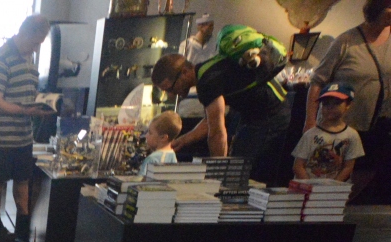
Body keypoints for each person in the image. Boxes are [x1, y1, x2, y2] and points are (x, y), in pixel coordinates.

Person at [152, 33, 290, 185]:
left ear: (184, 72)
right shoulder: (207, 71)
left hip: (269, 115)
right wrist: (184, 140)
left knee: (243, 175)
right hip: (261, 114)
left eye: (170, 88)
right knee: (239, 167)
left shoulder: (207, 82)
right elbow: (210, 120)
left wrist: (217, 178)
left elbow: (217, 132)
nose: (171, 95)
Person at [307, 0, 391, 200]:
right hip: (342, 125)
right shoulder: (346, 41)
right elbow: (317, 82)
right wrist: (309, 122)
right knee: (329, 172)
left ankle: (345, 205)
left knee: (366, 169)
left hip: (376, 125)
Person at [0, 14, 53, 242]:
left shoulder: (29, 59)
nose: (36, 48)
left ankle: (22, 228)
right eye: (35, 42)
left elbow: (27, 93)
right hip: (2, 135)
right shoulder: (1, 58)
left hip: (23, 135)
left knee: (23, 180)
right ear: (24, 33)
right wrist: (26, 110)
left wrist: (43, 104)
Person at [294, 83, 365, 180]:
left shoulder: (352, 135)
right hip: (306, 186)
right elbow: (298, 166)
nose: (330, 107)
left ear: (348, 104)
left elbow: (348, 167)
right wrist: (310, 186)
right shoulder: (311, 134)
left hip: (332, 187)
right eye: (326, 103)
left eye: (336, 103)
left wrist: (333, 185)